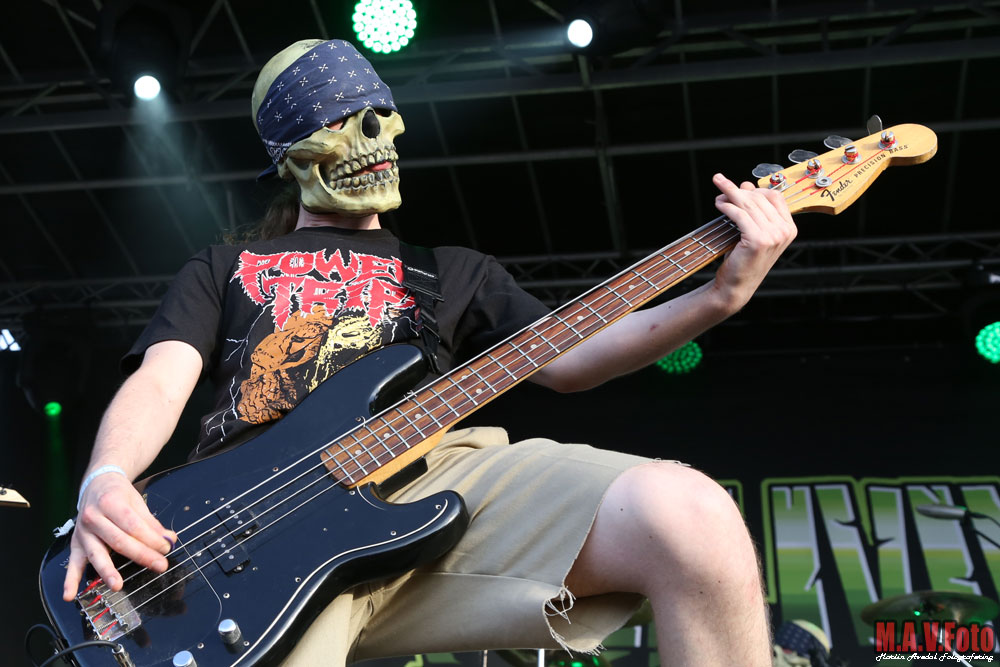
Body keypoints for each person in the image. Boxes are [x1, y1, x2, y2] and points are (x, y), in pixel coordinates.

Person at [62, 39, 796, 667]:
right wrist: (107, 475)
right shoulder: (225, 266)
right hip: (256, 529)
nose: (371, 136)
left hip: (432, 483)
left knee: (691, 517)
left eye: (379, 115)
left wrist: (717, 297)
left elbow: (574, 358)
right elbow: (162, 378)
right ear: (289, 158)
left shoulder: (451, 272)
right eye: (338, 124)